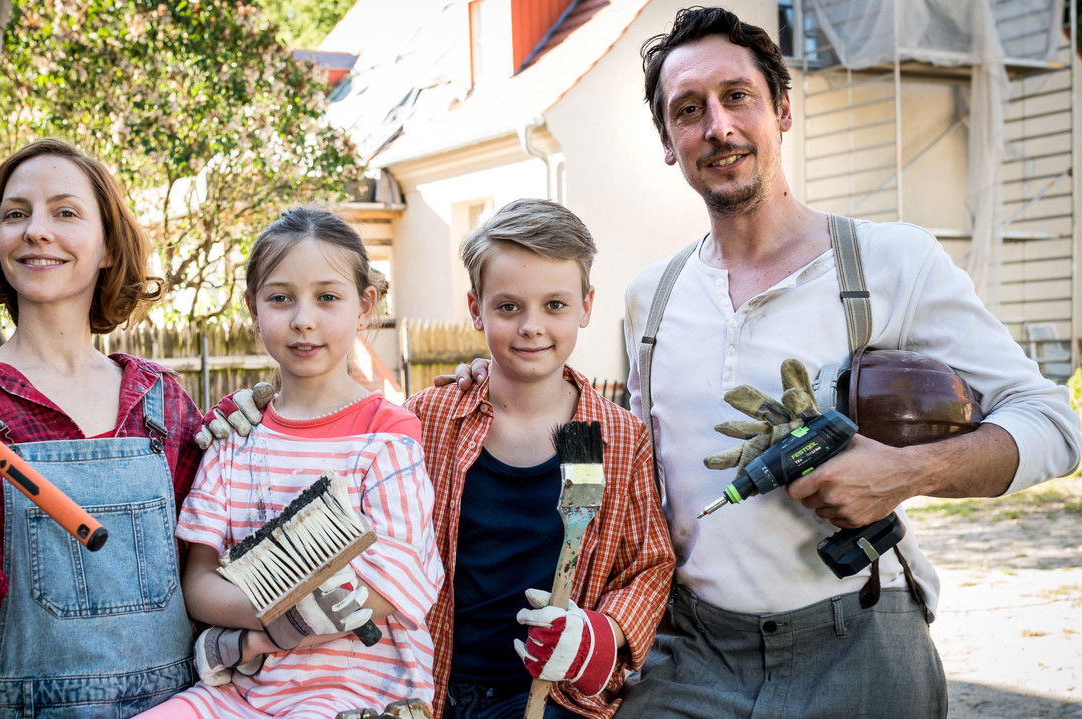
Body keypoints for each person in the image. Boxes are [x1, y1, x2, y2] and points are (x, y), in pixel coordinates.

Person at [448, 8, 1082, 718]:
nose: (716, 125)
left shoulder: (889, 262)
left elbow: (1055, 425)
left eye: (736, 96)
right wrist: (504, 385)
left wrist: (905, 473)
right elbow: (625, 466)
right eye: (688, 110)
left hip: (861, 637)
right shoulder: (649, 297)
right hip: (690, 654)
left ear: (781, 109)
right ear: (668, 142)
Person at [0, 138, 204, 716]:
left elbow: (211, 576)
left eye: (65, 212)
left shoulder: (163, 403)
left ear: (108, 247)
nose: (36, 230)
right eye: (15, 214)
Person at [142, 207, 443, 718]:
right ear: (253, 309)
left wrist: (270, 626)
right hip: (240, 693)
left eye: (327, 297)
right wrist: (280, 622)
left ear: (365, 305)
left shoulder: (386, 442)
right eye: (281, 298)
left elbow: (385, 591)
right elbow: (199, 584)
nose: (303, 319)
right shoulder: (234, 442)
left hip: (361, 692)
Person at [403, 199, 674, 719]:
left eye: (555, 305)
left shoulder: (620, 436)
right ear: (475, 308)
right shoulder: (427, 420)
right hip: (428, 687)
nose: (531, 326)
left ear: (587, 305)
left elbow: (649, 565)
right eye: (508, 307)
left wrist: (604, 633)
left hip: (553, 696)